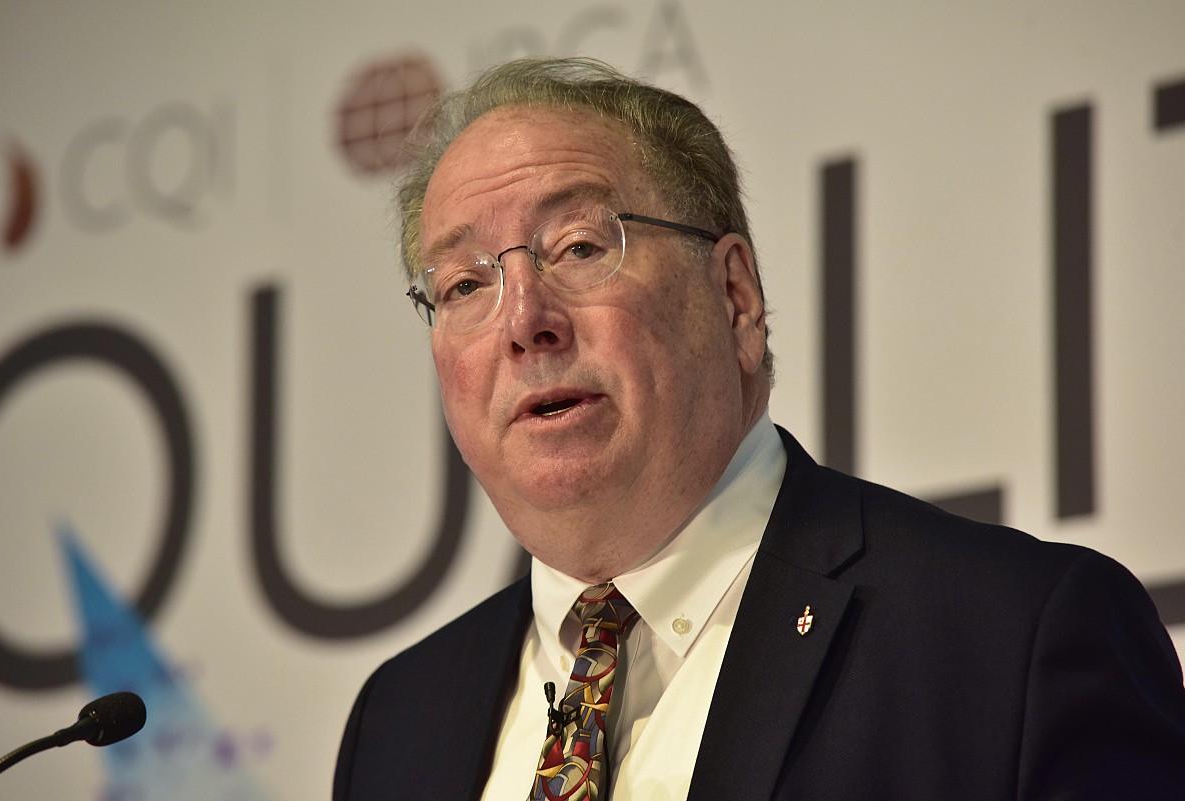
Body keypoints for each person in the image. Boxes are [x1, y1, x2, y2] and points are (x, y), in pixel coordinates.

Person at [333, 57, 1185, 801]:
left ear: (736, 297)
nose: (524, 320)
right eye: (464, 285)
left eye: (580, 246)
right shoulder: (398, 720)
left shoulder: (1012, 639)